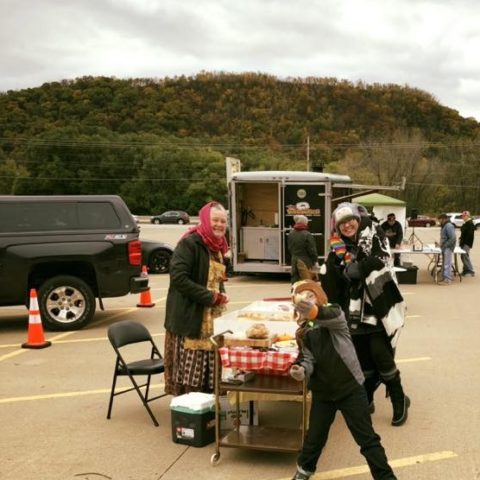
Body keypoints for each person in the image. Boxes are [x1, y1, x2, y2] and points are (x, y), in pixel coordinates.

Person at [289, 280, 397, 480]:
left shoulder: (335, 315)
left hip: (350, 389)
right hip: (323, 393)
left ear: (320, 297)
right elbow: (308, 358)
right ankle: (303, 472)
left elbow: (322, 314)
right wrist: (302, 369)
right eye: (301, 298)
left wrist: (311, 309)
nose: (306, 301)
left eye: (310, 296)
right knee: (314, 439)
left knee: (367, 440)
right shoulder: (304, 330)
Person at [319, 202, 409, 427]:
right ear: (337, 228)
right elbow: (333, 285)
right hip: (352, 313)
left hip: (377, 307)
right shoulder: (336, 249)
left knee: (381, 355)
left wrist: (359, 268)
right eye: (342, 224)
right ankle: (366, 398)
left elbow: (383, 258)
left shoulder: (374, 235)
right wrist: (329, 272)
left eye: (350, 220)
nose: (347, 225)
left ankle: (400, 399)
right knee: (361, 360)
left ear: (357, 220)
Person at [163, 201, 229, 396]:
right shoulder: (190, 243)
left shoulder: (218, 246)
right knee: (192, 371)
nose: (219, 224)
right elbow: (179, 278)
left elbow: (214, 278)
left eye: (223, 221)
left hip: (211, 317)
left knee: (209, 367)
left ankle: (209, 407)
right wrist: (210, 297)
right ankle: (190, 410)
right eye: (215, 220)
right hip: (190, 317)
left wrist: (221, 293)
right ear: (205, 221)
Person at [287, 214, 319, 283]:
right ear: (305, 223)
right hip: (305, 261)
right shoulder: (307, 234)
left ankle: (294, 292)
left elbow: (289, 248)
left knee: (295, 279)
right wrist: (315, 261)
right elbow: (312, 250)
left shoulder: (291, 233)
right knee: (306, 280)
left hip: (294, 259)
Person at [437, 213, 456, 285]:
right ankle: (445, 278)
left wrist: (445, 245)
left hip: (448, 248)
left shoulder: (448, 226)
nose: (439, 222)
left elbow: (453, 238)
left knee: (447, 264)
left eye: (439, 220)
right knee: (445, 263)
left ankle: (447, 279)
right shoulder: (444, 226)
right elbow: (445, 237)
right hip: (445, 247)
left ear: (443, 219)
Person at [459, 210, 475, 277]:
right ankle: (465, 270)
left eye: (463, 216)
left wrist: (466, 243)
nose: (462, 217)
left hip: (467, 243)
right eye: (462, 216)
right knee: (463, 256)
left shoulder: (470, 223)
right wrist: (461, 239)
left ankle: (470, 270)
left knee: (465, 256)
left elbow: (470, 235)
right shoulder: (466, 223)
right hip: (463, 243)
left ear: (467, 216)